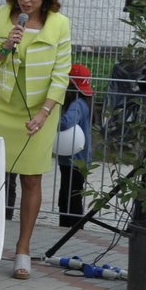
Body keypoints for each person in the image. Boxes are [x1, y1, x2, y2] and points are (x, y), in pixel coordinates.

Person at [0, 0, 73, 280]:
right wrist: (5, 46)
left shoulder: (59, 24)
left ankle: (23, 249)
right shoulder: (0, 16)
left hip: (39, 112)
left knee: (31, 178)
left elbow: (61, 75)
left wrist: (45, 113)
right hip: (3, 106)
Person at [55, 64, 94, 227]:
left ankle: (73, 228)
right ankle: (66, 226)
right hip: (74, 158)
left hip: (74, 158)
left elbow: (66, 123)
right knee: (68, 193)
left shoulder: (77, 104)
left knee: (72, 195)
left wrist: (49, 120)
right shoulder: (83, 102)